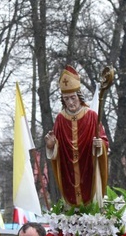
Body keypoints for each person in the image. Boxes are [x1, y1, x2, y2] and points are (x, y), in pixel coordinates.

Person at [45, 65, 109, 206]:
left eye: (73, 98)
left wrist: (100, 145)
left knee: (92, 203)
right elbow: (56, 147)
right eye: (66, 99)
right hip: (69, 174)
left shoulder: (92, 116)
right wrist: (51, 146)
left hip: (89, 170)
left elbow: (104, 141)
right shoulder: (60, 119)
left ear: (79, 97)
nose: (70, 102)